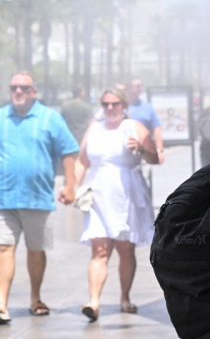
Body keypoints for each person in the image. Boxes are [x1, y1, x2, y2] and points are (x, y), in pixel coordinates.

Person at [0, 71, 79, 324]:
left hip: (37, 198)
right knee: (3, 248)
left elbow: (68, 151)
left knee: (36, 251)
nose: (18, 92)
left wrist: (70, 185)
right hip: (4, 198)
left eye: (23, 88)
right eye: (14, 88)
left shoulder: (50, 118)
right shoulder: (1, 118)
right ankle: (1, 303)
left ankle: (35, 298)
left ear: (33, 92)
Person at [75, 89, 159, 321]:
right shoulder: (94, 128)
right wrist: (72, 186)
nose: (110, 108)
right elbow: (82, 160)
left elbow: (155, 158)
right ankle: (94, 302)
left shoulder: (134, 127)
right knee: (99, 249)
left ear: (123, 105)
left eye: (114, 104)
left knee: (125, 249)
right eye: (105, 104)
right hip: (99, 194)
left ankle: (124, 296)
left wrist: (141, 149)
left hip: (127, 194)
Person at [125, 78, 164, 164]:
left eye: (142, 86)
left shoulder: (147, 107)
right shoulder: (120, 106)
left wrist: (159, 150)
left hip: (144, 153)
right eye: (138, 86)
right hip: (124, 152)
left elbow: (156, 129)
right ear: (129, 88)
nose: (140, 89)